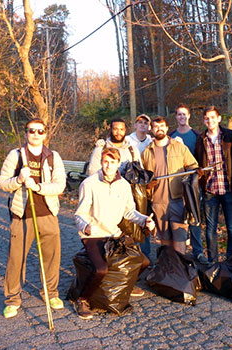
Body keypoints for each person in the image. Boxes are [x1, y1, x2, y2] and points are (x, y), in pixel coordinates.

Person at [74, 147, 155, 319]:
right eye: (105, 162)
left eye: (112, 162)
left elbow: (129, 212)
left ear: (119, 163)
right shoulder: (89, 184)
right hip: (93, 235)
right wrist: (86, 227)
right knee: (101, 269)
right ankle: (82, 299)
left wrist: (145, 220)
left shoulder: (124, 185)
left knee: (143, 261)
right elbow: (79, 214)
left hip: (114, 233)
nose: (108, 165)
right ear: (101, 162)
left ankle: (125, 284)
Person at [0, 118, 66, 319]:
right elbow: (2, 183)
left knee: (51, 258)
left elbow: (60, 185)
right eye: (31, 130)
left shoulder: (53, 156)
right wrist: (18, 179)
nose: (35, 134)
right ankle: (12, 299)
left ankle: (50, 293)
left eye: (40, 131)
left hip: (47, 213)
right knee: (16, 259)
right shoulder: (16, 155)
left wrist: (38, 188)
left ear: (45, 134)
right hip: (22, 215)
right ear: (26, 133)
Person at [142, 116, 199, 254]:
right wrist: (148, 185)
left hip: (178, 201)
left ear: (167, 128)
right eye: (156, 126)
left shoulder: (179, 147)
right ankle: (168, 269)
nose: (159, 129)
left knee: (180, 238)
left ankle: (180, 269)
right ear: (151, 129)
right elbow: (142, 178)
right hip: (157, 202)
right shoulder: (146, 152)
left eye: (162, 126)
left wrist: (189, 178)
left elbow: (193, 166)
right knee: (165, 240)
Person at [194, 106, 232, 263]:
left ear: (219, 119)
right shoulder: (200, 140)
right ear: (204, 120)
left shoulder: (230, 136)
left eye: (213, 117)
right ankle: (212, 262)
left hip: (229, 189)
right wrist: (199, 173)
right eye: (207, 118)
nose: (210, 121)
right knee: (210, 229)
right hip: (210, 190)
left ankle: (231, 261)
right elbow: (196, 162)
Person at [169, 103, 206, 263]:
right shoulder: (170, 137)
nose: (182, 117)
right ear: (176, 117)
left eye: (184, 114)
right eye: (179, 114)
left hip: (192, 185)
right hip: (175, 185)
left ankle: (198, 251)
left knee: (194, 217)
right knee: (177, 219)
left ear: (189, 116)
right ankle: (176, 253)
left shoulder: (197, 136)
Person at [125, 114, 153, 260]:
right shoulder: (127, 141)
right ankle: (129, 255)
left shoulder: (151, 141)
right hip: (129, 186)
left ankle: (145, 255)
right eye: (140, 122)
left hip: (145, 188)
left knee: (144, 219)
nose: (142, 125)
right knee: (129, 220)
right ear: (135, 125)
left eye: (145, 123)